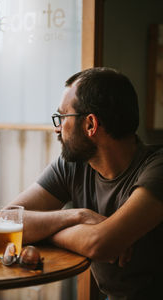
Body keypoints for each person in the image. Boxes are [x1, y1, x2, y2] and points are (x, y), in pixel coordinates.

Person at [9, 67, 163, 300]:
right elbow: (5, 220)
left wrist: (43, 233)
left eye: (62, 117)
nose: (57, 128)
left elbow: (100, 244)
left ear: (90, 124)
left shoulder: (157, 168)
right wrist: (77, 216)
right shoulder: (73, 165)